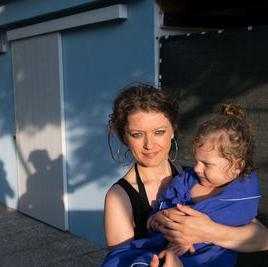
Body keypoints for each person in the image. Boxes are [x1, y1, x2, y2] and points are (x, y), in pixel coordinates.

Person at [103, 84, 268, 254]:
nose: (149, 145)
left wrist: (206, 231)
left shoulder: (199, 177)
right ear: (124, 137)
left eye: (159, 132)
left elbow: (263, 239)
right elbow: (120, 260)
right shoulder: (119, 197)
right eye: (137, 134)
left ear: (173, 130)